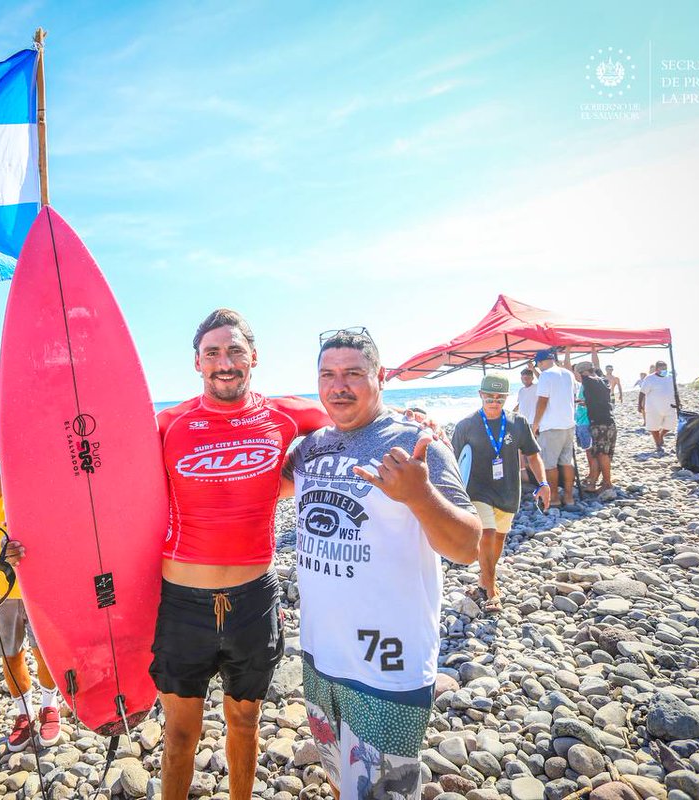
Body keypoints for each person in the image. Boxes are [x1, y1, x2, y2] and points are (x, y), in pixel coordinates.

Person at [282, 330, 481, 800]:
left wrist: (419, 495)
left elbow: (468, 545)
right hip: (320, 654)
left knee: (382, 792)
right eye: (327, 375)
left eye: (353, 373)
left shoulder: (416, 443)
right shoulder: (310, 448)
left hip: (386, 666)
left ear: (381, 377)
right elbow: (250, 471)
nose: (339, 386)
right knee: (338, 776)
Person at [151, 309, 331, 800]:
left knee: (246, 721)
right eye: (213, 353)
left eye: (234, 351)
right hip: (182, 604)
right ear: (197, 363)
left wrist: (414, 423)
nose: (224, 363)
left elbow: (355, 414)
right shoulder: (167, 423)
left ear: (254, 357)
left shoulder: (285, 414)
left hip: (254, 600)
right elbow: (106, 488)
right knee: (180, 735)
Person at [0, 472, 61, 751]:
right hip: (0, 587)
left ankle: (50, 706)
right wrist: (14, 462)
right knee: (10, 654)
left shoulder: (43, 484)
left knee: (44, 651)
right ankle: (23, 713)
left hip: (39, 585)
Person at [450, 374, 549, 614]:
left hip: (508, 490)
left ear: (505, 397)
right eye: (489, 396)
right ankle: (493, 592)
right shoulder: (466, 425)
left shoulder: (518, 423)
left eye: (499, 397)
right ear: (480, 395)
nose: (494, 401)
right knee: (488, 534)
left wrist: (543, 483)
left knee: (499, 539)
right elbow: (453, 462)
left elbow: (532, 455)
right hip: (477, 491)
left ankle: (483, 582)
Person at [530, 349, 578, 508]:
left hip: (552, 426)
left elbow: (542, 402)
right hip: (568, 424)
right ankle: (569, 497)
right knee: (566, 462)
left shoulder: (546, 375)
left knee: (549, 464)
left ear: (541, 362)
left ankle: (555, 498)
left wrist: (535, 424)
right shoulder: (567, 373)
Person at [574, 362, 616, 496]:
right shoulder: (603, 380)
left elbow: (575, 373)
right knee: (606, 453)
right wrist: (585, 403)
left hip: (599, 422)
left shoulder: (589, 381)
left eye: (579, 374)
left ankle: (607, 484)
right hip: (609, 421)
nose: (578, 377)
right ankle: (603, 481)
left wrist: (567, 351)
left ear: (584, 373)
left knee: (601, 454)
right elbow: (598, 400)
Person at [638, 361, 677, 454]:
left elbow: (675, 390)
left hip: (670, 406)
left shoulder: (670, 377)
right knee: (653, 427)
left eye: (665, 368)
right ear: (656, 369)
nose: (664, 370)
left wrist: (678, 402)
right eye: (662, 368)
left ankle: (661, 435)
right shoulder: (650, 378)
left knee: (670, 425)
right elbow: (642, 392)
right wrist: (639, 405)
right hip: (653, 407)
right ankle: (658, 445)